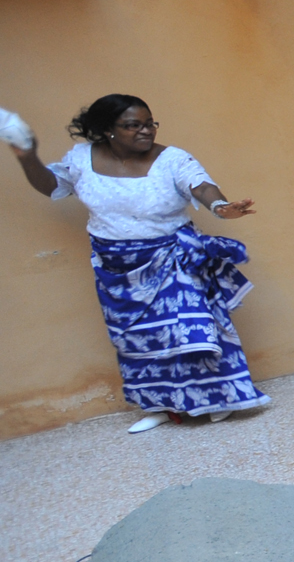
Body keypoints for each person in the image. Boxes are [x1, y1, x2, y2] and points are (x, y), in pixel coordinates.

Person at [11, 96, 269, 431]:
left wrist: (220, 206)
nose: (145, 131)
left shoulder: (172, 159)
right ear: (108, 130)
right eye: (134, 125)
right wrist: (27, 156)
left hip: (171, 258)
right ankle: (160, 406)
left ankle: (218, 398)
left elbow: (201, 186)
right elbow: (51, 186)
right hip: (116, 269)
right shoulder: (81, 160)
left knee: (191, 333)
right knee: (140, 341)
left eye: (150, 123)